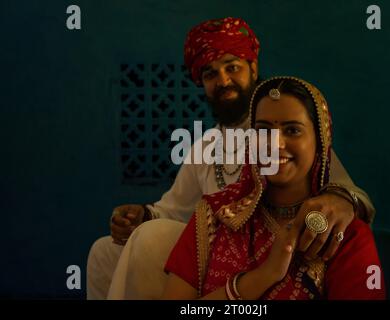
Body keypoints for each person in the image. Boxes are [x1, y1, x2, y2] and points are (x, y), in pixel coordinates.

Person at [88, 17, 375, 300]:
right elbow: (174, 210)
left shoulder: (289, 128)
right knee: (104, 252)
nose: (223, 81)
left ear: (253, 67)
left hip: (277, 243)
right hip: (213, 244)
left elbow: (345, 193)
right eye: (210, 74)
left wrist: (342, 199)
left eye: (232, 67)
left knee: (150, 237)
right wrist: (143, 214)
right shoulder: (206, 145)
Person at [162, 76, 385, 300]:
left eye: (292, 130)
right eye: (263, 130)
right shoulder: (214, 215)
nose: (275, 145)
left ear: (321, 141)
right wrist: (264, 276)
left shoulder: (345, 234)